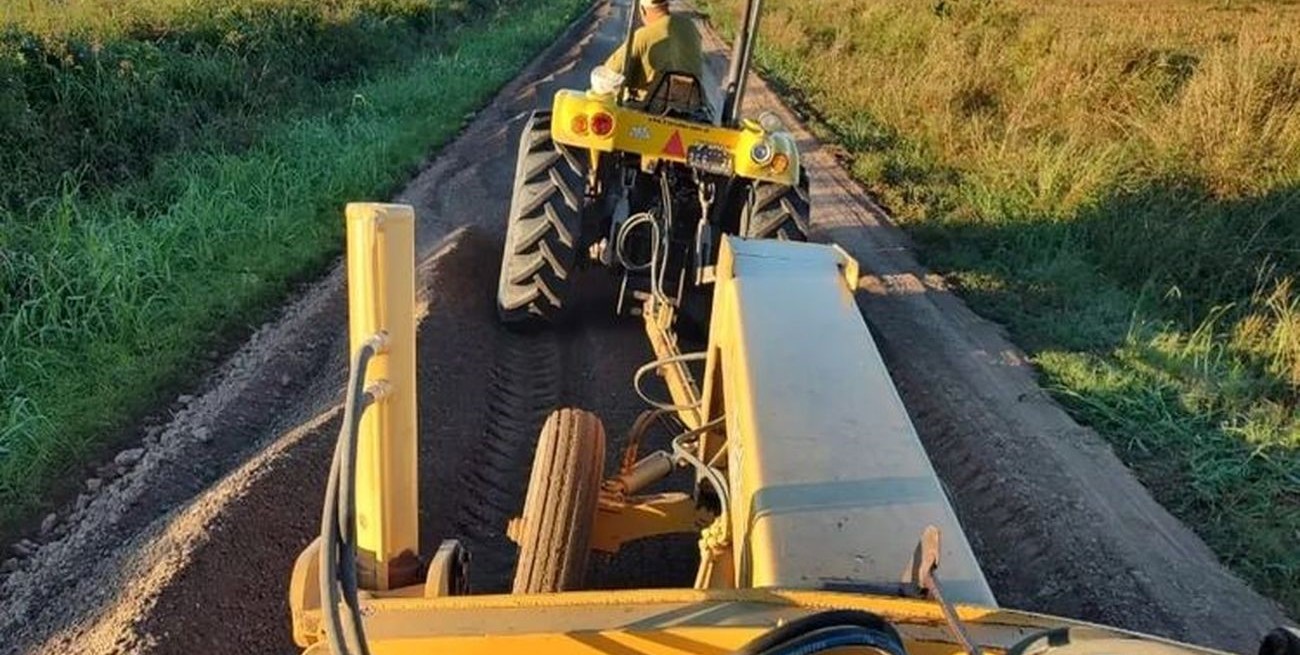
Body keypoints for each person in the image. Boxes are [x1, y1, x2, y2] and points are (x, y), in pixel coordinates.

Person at [602, 0, 705, 101]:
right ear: (666, 4)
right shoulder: (690, 26)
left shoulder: (642, 36)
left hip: (650, 110)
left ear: (642, 10)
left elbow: (607, 77)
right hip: (691, 106)